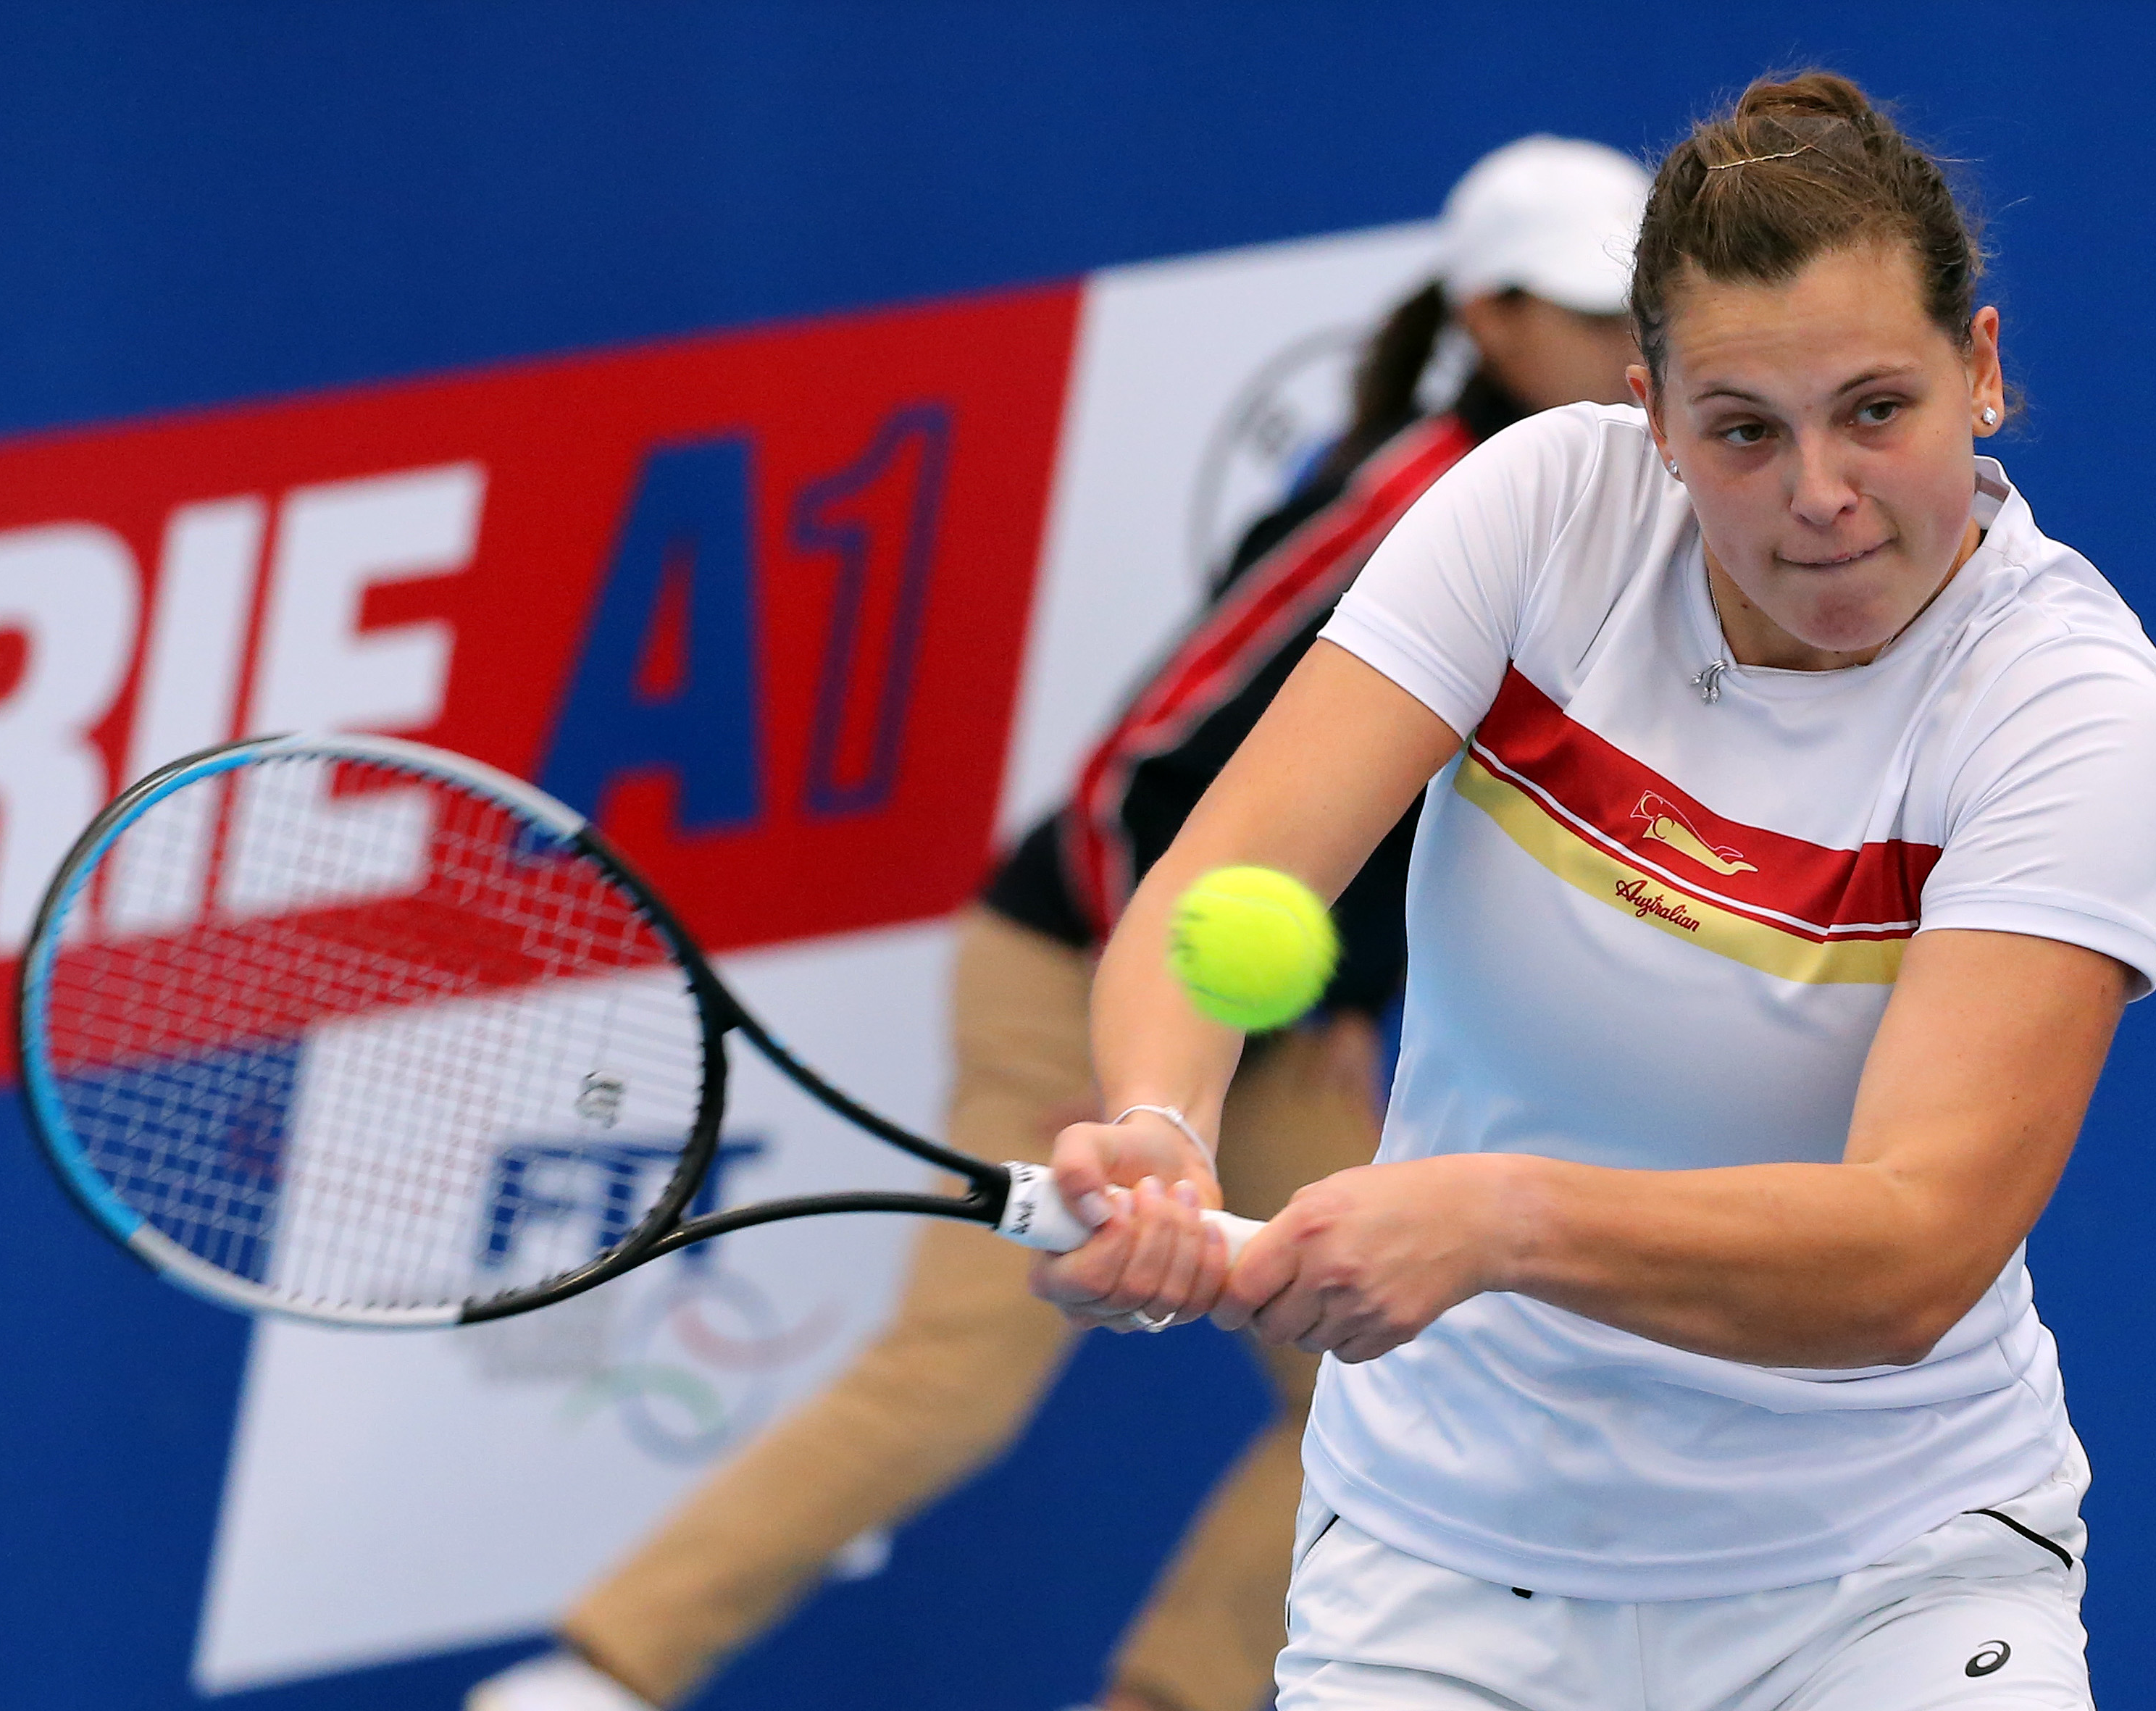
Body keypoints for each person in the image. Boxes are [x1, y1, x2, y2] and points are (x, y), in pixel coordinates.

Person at [1035, 71, 2156, 1711]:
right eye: (1740, 429)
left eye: (1876, 408)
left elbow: (1913, 1245)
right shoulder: (1535, 506)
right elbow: (1227, 874)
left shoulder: (2063, 704)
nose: (1819, 492)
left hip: (1887, 1578)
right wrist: (1159, 1117)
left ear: (1979, 371)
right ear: (1648, 416)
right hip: (1435, 1568)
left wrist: (1500, 1216)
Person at [470, 135, 1655, 1711]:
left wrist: (1345, 983)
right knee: (956, 1375)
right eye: (1589, 311)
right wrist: (1146, 1054)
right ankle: (595, 1675)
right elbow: (1136, 772)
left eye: (1641, 309)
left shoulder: (1598, 512)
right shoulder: (1404, 507)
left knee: (1414, 1390)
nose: (1624, 348)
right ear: (1493, 318)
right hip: (1083, 970)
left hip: (1281, 1023)